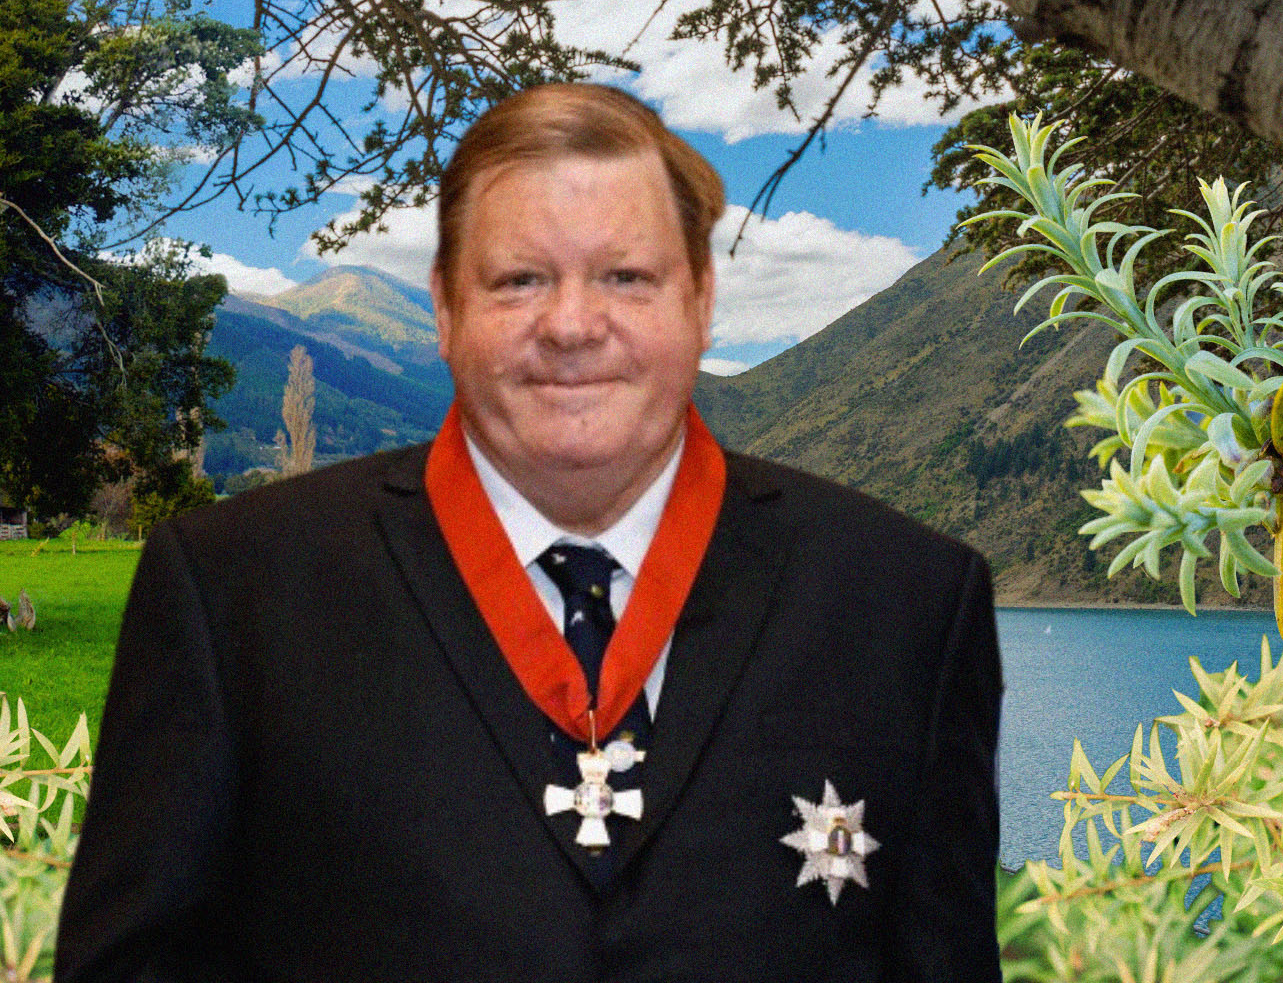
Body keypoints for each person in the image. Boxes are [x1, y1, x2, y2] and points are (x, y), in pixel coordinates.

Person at [55, 82, 1003, 982]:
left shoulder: (909, 603)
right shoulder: (233, 589)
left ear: (703, 301)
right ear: (444, 306)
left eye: (626, 277)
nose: (571, 325)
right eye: (518, 281)